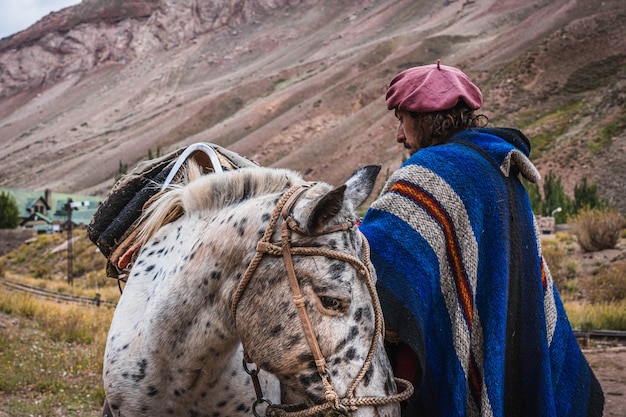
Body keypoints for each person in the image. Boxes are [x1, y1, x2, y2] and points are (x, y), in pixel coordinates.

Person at [358, 60, 604, 417]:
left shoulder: (429, 172)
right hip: (507, 345)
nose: (399, 133)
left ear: (425, 116)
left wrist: (341, 231)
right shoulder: (499, 166)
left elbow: (376, 257)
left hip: (434, 360)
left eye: (402, 118)